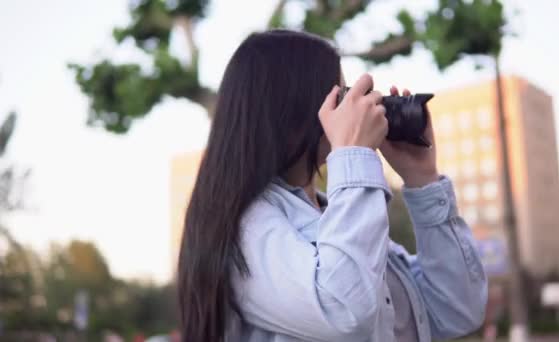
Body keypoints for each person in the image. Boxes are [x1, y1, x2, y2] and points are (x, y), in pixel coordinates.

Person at [177, 29, 487, 342]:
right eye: (342, 95)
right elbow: (343, 310)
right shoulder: (246, 228)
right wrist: (353, 155)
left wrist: (423, 181)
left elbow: (457, 312)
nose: (353, 107)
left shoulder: (338, 216)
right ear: (294, 106)